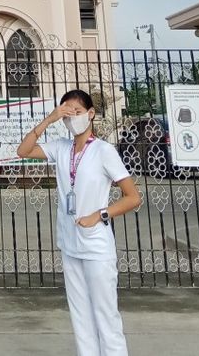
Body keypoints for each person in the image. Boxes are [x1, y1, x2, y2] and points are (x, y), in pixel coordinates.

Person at [17, 89, 141, 356]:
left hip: (96, 245)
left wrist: (101, 214)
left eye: (76, 111)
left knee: (105, 315)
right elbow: (23, 150)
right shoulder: (61, 148)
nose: (71, 117)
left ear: (90, 114)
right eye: (66, 113)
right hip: (70, 244)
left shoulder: (104, 151)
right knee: (80, 316)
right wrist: (49, 120)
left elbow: (132, 197)